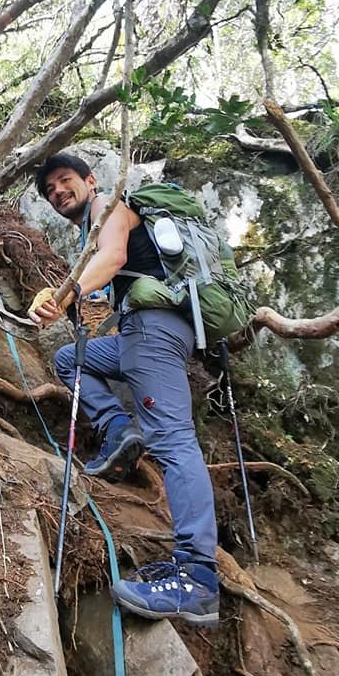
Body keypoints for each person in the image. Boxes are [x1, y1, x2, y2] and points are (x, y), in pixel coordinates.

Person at [29, 152, 220, 627]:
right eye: (50, 190)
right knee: (70, 359)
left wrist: (61, 295)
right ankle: (119, 432)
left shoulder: (109, 207)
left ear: (91, 181)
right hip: (141, 335)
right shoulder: (96, 224)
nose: (58, 192)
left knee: (174, 441)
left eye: (65, 181)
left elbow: (113, 259)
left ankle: (198, 578)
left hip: (153, 333)